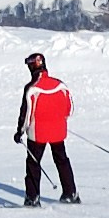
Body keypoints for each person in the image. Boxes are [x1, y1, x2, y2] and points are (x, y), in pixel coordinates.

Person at [13, 50, 79, 205]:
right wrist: (59, 120)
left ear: (31, 67)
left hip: (38, 133)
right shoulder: (60, 85)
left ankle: (32, 198)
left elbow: (26, 113)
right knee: (62, 160)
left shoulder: (32, 88)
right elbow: (70, 109)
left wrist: (20, 131)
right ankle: (71, 193)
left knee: (33, 164)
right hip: (58, 131)